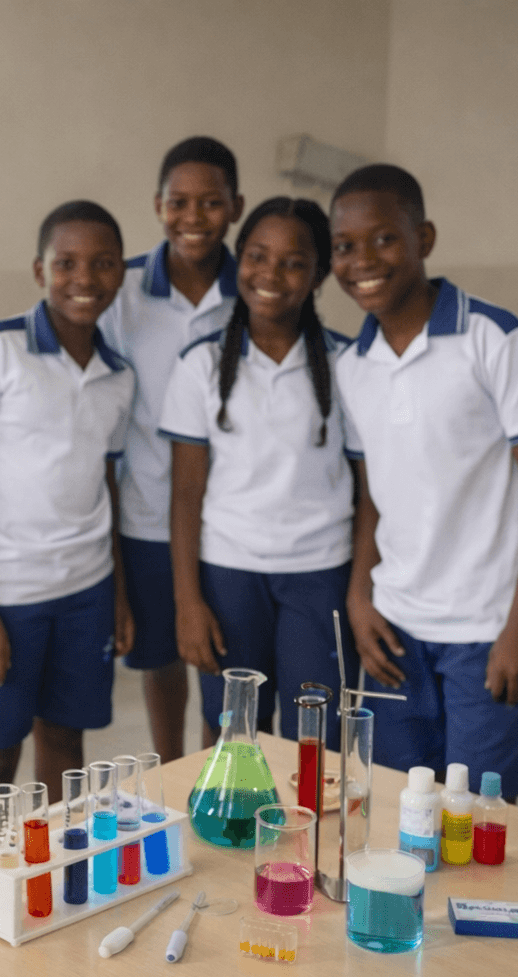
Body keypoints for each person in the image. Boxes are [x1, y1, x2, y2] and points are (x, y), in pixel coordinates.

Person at [329, 164, 518, 800]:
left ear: (425, 238)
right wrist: (360, 597)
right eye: (344, 246)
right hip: (396, 625)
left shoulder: (496, 338)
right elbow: (371, 498)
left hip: (490, 626)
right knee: (396, 804)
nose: (363, 260)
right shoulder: (352, 365)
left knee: (480, 815)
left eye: (384, 238)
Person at [0, 200, 135, 832]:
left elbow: (106, 484)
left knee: (67, 743)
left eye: (103, 263)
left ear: (121, 272)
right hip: (2, 594)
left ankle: (62, 867)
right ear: (39, 270)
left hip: (84, 590)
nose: (85, 278)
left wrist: (118, 596)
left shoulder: (118, 375)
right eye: (66, 263)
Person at [159, 197, 357, 747]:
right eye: (257, 256)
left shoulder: (348, 364)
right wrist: (188, 602)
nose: (271, 274)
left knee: (315, 735)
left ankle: (307, 811)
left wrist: (361, 589)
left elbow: (369, 492)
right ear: (239, 258)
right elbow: (185, 493)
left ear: (319, 275)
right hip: (228, 574)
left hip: (321, 572)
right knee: (233, 731)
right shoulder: (200, 363)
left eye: (294, 263)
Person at [100, 136, 244, 761]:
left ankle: (214, 775)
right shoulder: (121, 289)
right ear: (158, 205)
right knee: (159, 659)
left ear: (235, 207)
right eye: (179, 202)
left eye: (210, 202)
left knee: (224, 667)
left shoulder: (255, 286)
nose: (193, 217)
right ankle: (171, 768)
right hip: (146, 515)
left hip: (230, 521)